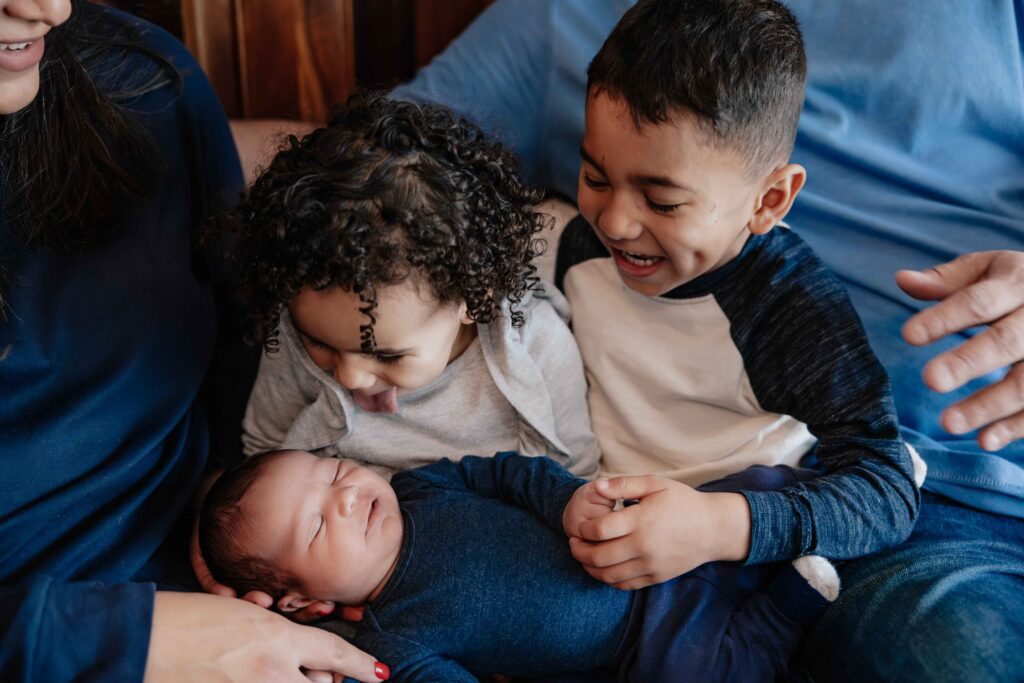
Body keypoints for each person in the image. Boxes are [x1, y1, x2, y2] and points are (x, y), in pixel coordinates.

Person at [392, 0, 1024, 679]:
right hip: (625, 562)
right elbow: (388, 184)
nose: (616, 219)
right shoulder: (577, 242)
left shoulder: (785, 306)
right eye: (595, 176)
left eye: (662, 201)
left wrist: (717, 527)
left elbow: (884, 486)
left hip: (794, 554)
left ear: (770, 202)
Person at [0, 1, 384, 681]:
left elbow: (232, 354)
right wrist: (132, 641)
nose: (46, 7)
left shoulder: (141, 78)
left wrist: (234, 507)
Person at [211, 92, 599, 480]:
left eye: (387, 356)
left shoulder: (537, 348)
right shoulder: (297, 333)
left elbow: (575, 478)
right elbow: (264, 463)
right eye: (323, 346)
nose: (349, 377)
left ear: (473, 300)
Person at [199, 449, 840, 682]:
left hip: (645, 531)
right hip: (641, 639)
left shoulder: (425, 487)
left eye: (336, 470)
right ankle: (786, 607)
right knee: (701, 672)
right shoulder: (395, 640)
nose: (345, 497)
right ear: (298, 601)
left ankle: (840, 481)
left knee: (752, 485)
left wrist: (567, 502)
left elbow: (508, 472)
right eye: (315, 525)